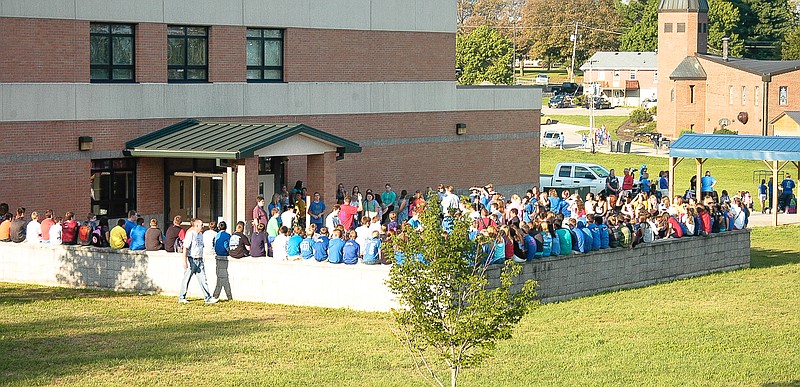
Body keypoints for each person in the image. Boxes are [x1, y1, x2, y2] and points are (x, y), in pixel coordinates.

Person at [178, 218, 218, 304]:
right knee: (186, 279)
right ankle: (182, 297)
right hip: (191, 259)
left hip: (199, 260)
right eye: (201, 225)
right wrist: (184, 260)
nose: (203, 226)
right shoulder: (190, 234)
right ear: (196, 225)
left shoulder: (200, 235)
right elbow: (185, 247)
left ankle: (207, 297)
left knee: (203, 279)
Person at [212, 221, 232, 301]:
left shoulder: (217, 235)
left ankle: (216, 294)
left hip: (217, 254)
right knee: (224, 278)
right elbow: (227, 245)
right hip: (224, 255)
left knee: (220, 277)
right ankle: (228, 295)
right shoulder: (227, 235)